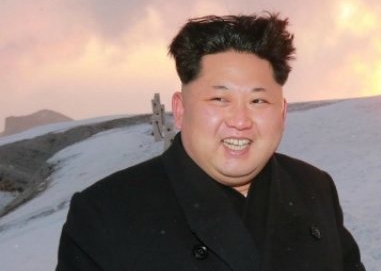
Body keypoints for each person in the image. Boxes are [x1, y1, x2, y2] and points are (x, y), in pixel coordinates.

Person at [56, 13, 365, 270]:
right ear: (179, 110)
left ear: (282, 113)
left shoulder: (314, 188)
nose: (240, 121)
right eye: (219, 99)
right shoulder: (106, 214)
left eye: (258, 101)